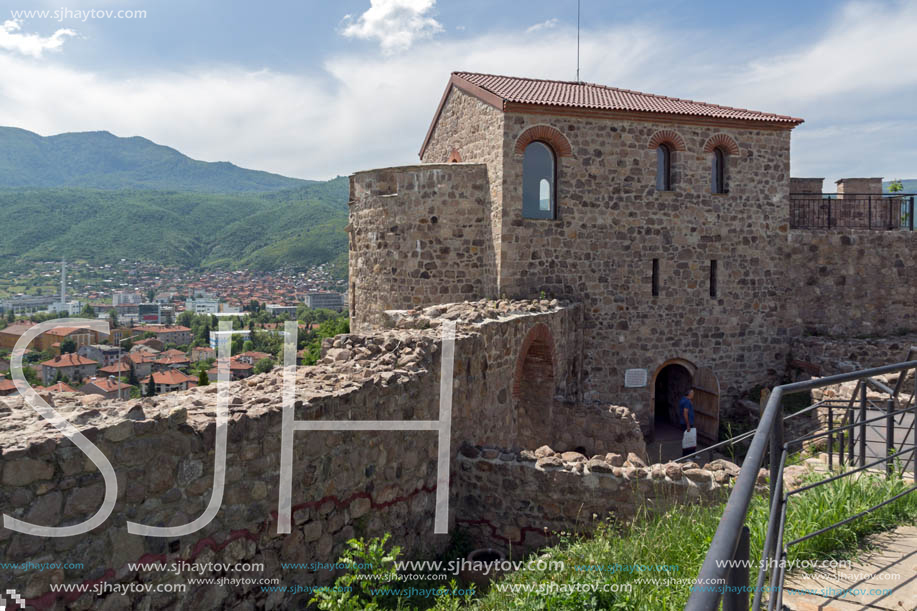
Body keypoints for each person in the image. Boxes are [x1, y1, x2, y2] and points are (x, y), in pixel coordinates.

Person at [679, 388, 697, 457]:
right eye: (692, 393)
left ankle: (693, 454)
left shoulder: (684, 400)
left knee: (691, 439)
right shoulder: (686, 401)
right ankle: (686, 456)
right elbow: (685, 413)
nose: (693, 394)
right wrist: (688, 424)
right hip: (686, 423)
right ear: (689, 394)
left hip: (687, 422)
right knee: (687, 440)